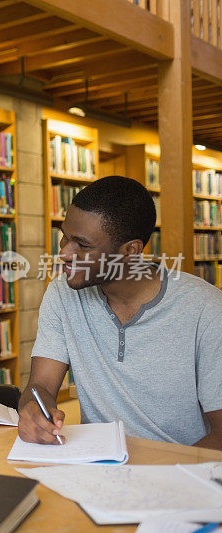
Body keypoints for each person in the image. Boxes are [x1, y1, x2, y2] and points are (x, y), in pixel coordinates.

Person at [18, 176, 222, 450]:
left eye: (83, 245)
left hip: (180, 473)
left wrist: (165, 478)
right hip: (97, 464)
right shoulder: (62, 294)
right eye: (64, 236)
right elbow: (40, 385)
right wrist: (33, 408)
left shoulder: (205, 309)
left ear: (130, 251)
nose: (65, 253)